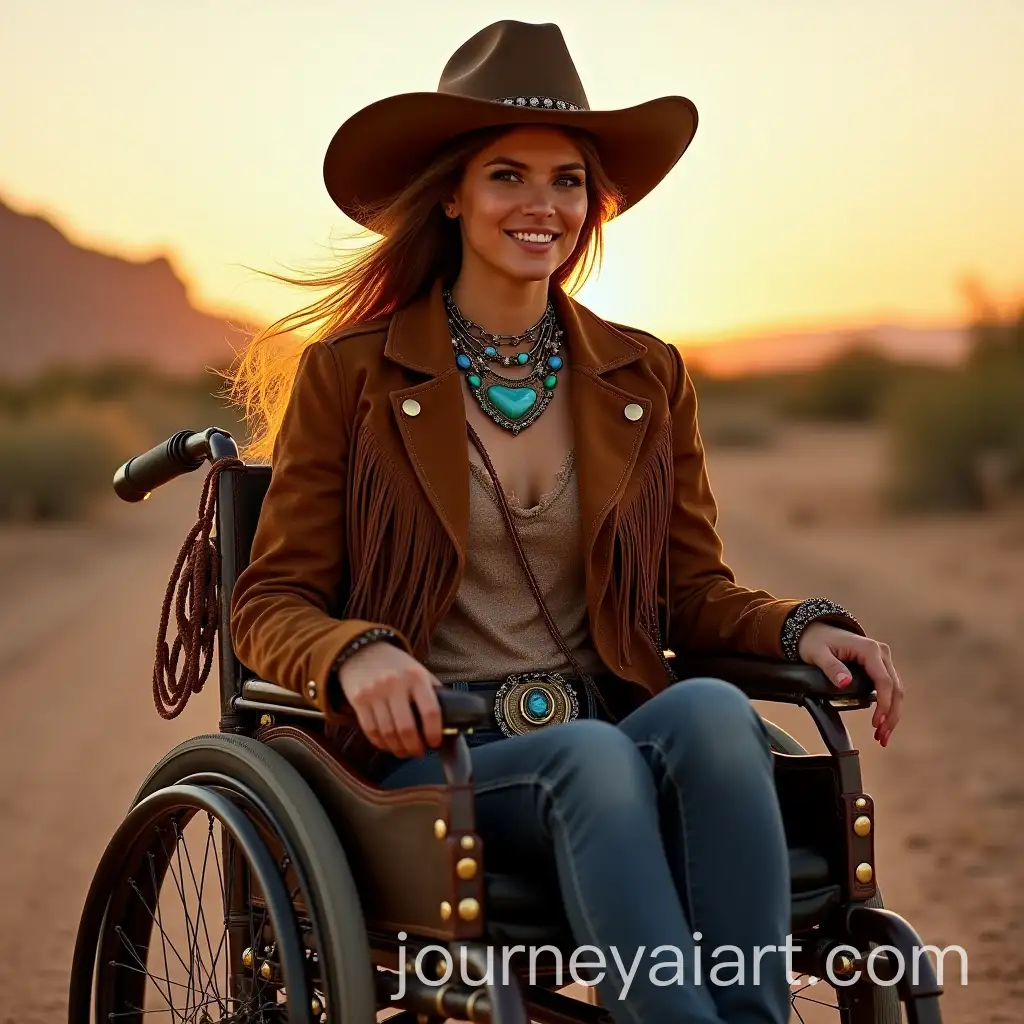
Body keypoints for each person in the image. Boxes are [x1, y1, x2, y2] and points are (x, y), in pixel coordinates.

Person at [228, 19, 905, 1024]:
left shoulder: (643, 371)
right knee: (590, 757)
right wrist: (356, 652)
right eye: (507, 175)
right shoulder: (353, 377)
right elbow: (269, 600)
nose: (542, 205)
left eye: (568, 180)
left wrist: (803, 626)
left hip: (606, 722)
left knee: (717, 715)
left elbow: (691, 590)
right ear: (452, 195)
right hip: (436, 759)